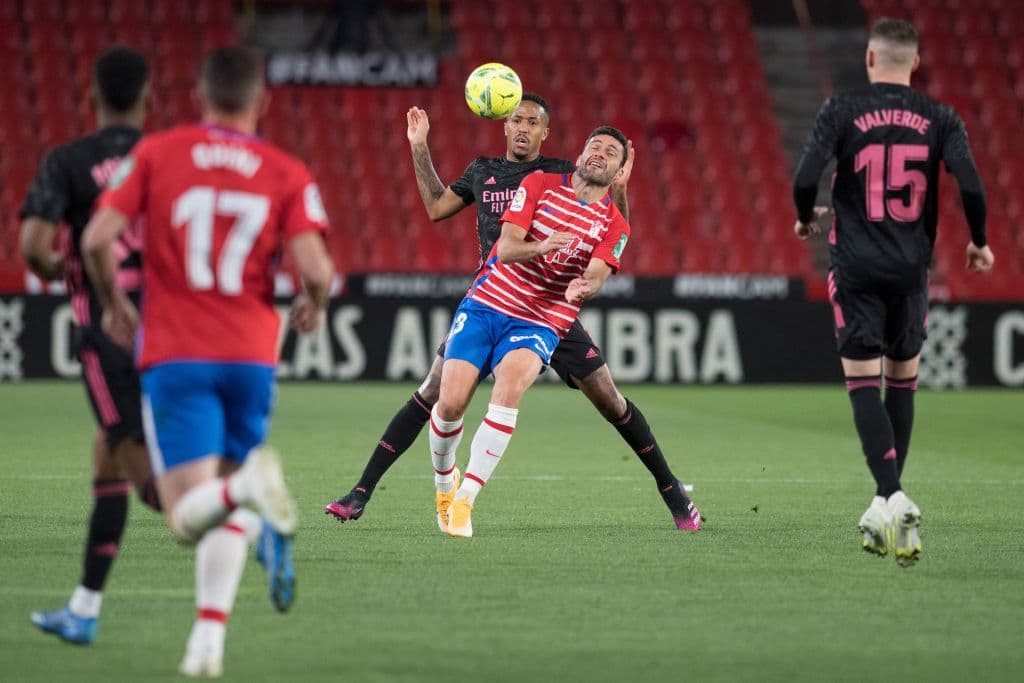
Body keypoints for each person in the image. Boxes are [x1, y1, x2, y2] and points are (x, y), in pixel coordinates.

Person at [326, 94, 699, 532]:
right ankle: (363, 491)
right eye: (516, 120)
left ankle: (670, 488)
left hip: (551, 309)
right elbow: (436, 208)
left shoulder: (562, 172)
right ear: (504, 125)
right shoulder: (484, 171)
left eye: (532, 123)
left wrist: (618, 190)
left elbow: (612, 227)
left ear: (546, 133)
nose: (523, 128)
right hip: (496, 297)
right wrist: (419, 145)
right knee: (436, 393)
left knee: (609, 398)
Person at [82, 47, 334, 676]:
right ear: (261, 100)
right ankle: (207, 643)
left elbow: (94, 240)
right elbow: (317, 271)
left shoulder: (157, 153)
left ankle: (249, 491)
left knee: (187, 515)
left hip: (177, 351)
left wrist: (113, 302)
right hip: (251, 354)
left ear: (198, 94)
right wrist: (314, 305)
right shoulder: (286, 170)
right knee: (223, 501)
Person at [792, 18, 993, 567]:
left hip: (855, 265)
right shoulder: (940, 116)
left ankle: (893, 494)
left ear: (871, 59)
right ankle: (885, 500)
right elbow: (971, 184)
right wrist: (979, 242)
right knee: (903, 379)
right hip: (911, 269)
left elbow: (806, 175)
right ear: (915, 62)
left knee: (862, 382)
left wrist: (805, 215)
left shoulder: (841, 110)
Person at [431, 126, 697, 537]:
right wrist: (545, 245)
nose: (600, 154)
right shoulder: (539, 183)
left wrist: (584, 285)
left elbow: (598, 273)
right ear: (579, 153)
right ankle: (445, 487)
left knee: (570, 397)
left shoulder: (614, 225)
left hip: (543, 317)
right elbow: (507, 247)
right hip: (489, 304)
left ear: (620, 171)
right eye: (594, 146)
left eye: (611, 152)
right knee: (448, 404)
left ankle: (465, 501)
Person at [21, 46, 163, 646]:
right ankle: (84, 607)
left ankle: (246, 517)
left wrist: (62, 268)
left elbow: (32, 246)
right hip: (176, 324)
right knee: (106, 457)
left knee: (140, 471)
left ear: (92, 97)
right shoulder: (166, 158)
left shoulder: (69, 162)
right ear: (148, 99)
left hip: (111, 327)